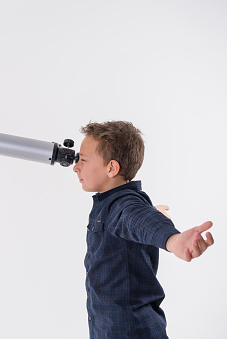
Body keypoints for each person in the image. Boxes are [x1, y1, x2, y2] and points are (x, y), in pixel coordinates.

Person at [72, 121, 214, 339]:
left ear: (111, 168)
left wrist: (173, 240)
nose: (76, 167)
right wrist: (151, 212)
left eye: (83, 160)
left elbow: (139, 219)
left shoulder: (123, 206)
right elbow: (136, 220)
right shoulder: (112, 205)